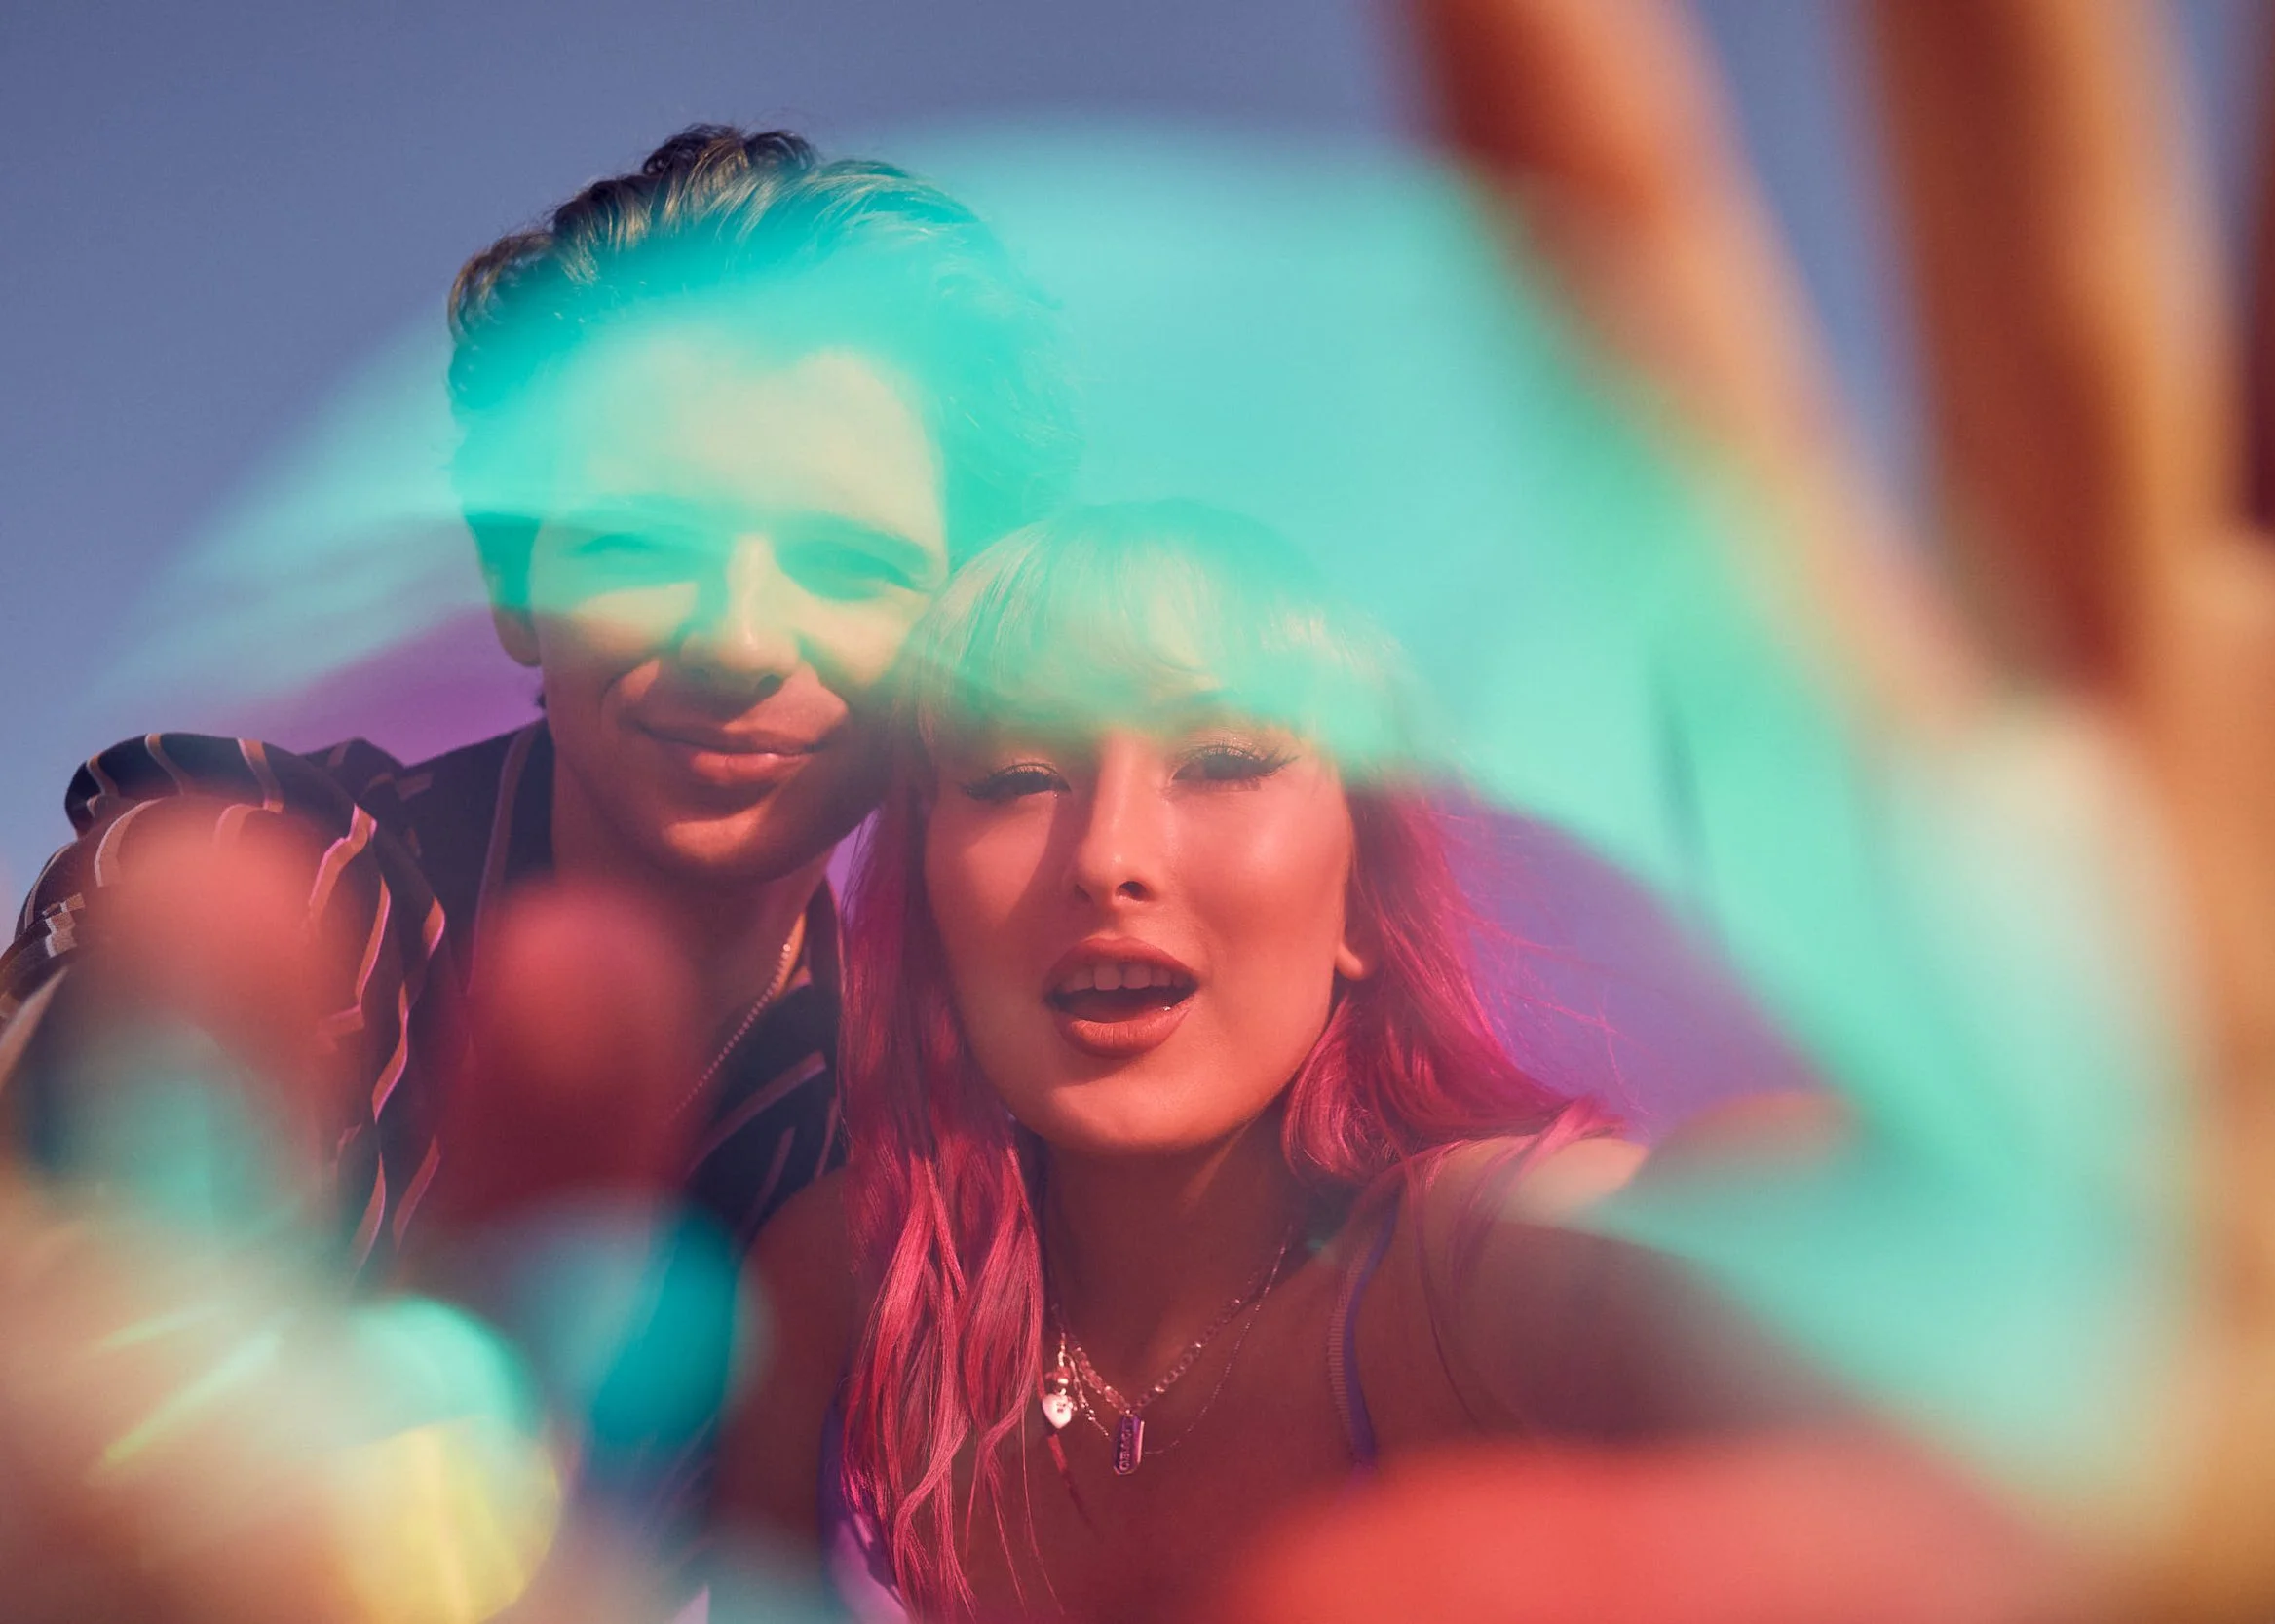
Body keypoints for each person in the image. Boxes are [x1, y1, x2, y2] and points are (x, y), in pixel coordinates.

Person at [0, 122, 1079, 1533]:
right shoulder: (286, 879)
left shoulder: (937, 1109)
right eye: (641, 542)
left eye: (846, 561)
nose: (739, 639)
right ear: (516, 586)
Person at [713, 502, 1911, 1623]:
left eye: (1224, 759)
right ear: (928, 897)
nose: (1108, 855)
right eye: (1018, 775)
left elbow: (1732, 1254)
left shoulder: (1459, 1270)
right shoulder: (836, 1296)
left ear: (1358, 890)